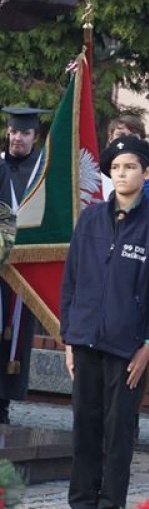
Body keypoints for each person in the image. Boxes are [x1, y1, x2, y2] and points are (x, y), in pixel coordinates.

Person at [60, 134, 149, 509]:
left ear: (147, 172)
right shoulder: (91, 218)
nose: (121, 174)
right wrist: (68, 338)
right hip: (86, 338)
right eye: (115, 168)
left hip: (128, 347)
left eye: (129, 166)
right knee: (85, 424)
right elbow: (72, 281)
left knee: (119, 428)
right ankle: (83, 507)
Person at [0, 105, 48, 424]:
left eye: (25, 132)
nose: (18, 138)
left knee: (14, 334)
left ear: (36, 136)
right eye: (14, 131)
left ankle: (3, 401)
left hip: (23, 268)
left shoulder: (42, 171)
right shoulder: (0, 165)